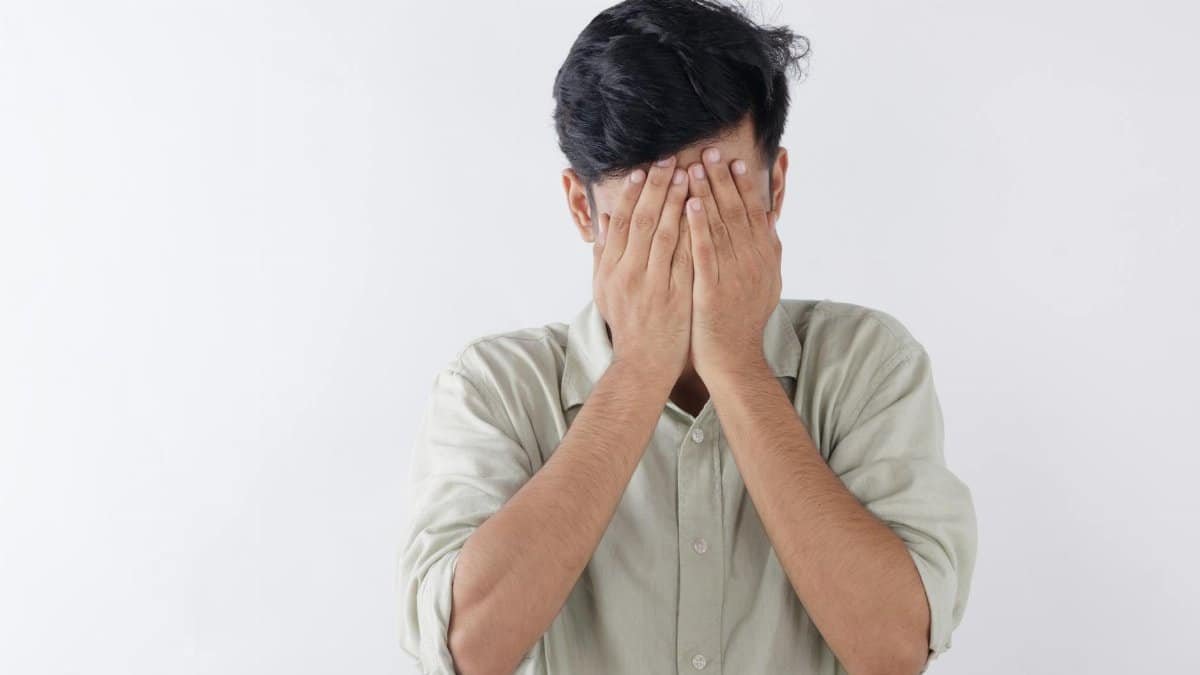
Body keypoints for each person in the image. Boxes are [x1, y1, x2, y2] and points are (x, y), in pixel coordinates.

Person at [397, 1, 977, 673]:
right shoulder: (492, 387)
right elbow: (469, 647)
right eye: (649, 218)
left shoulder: (866, 364)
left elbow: (895, 647)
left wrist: (737, 365)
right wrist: (639, 369)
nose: (684, 245)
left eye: (716, 207)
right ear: (584, 209)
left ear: (775, 187)